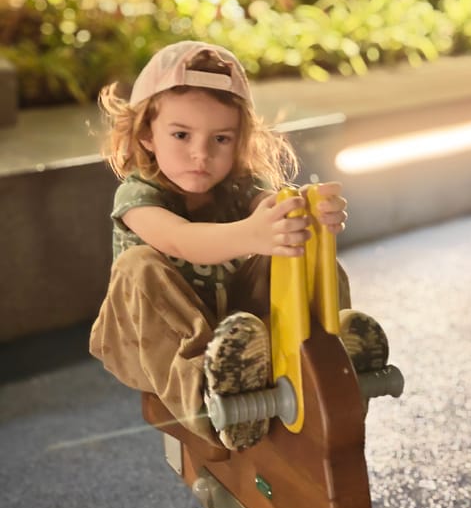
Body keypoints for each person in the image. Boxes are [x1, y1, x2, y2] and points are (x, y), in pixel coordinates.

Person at [90, 40, 389, 450]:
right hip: (154, 342)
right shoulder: (138, 196)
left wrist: (307, 215)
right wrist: (253, 233)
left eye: (221, 139)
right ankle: (212, 402)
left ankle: (330, 356)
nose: (201, 154)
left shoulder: (237, 185)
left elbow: (270, 207)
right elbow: (182, 239)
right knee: (138, 265)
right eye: (181, 134)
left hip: (234, 336)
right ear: (146, 135)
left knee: (293, 252)